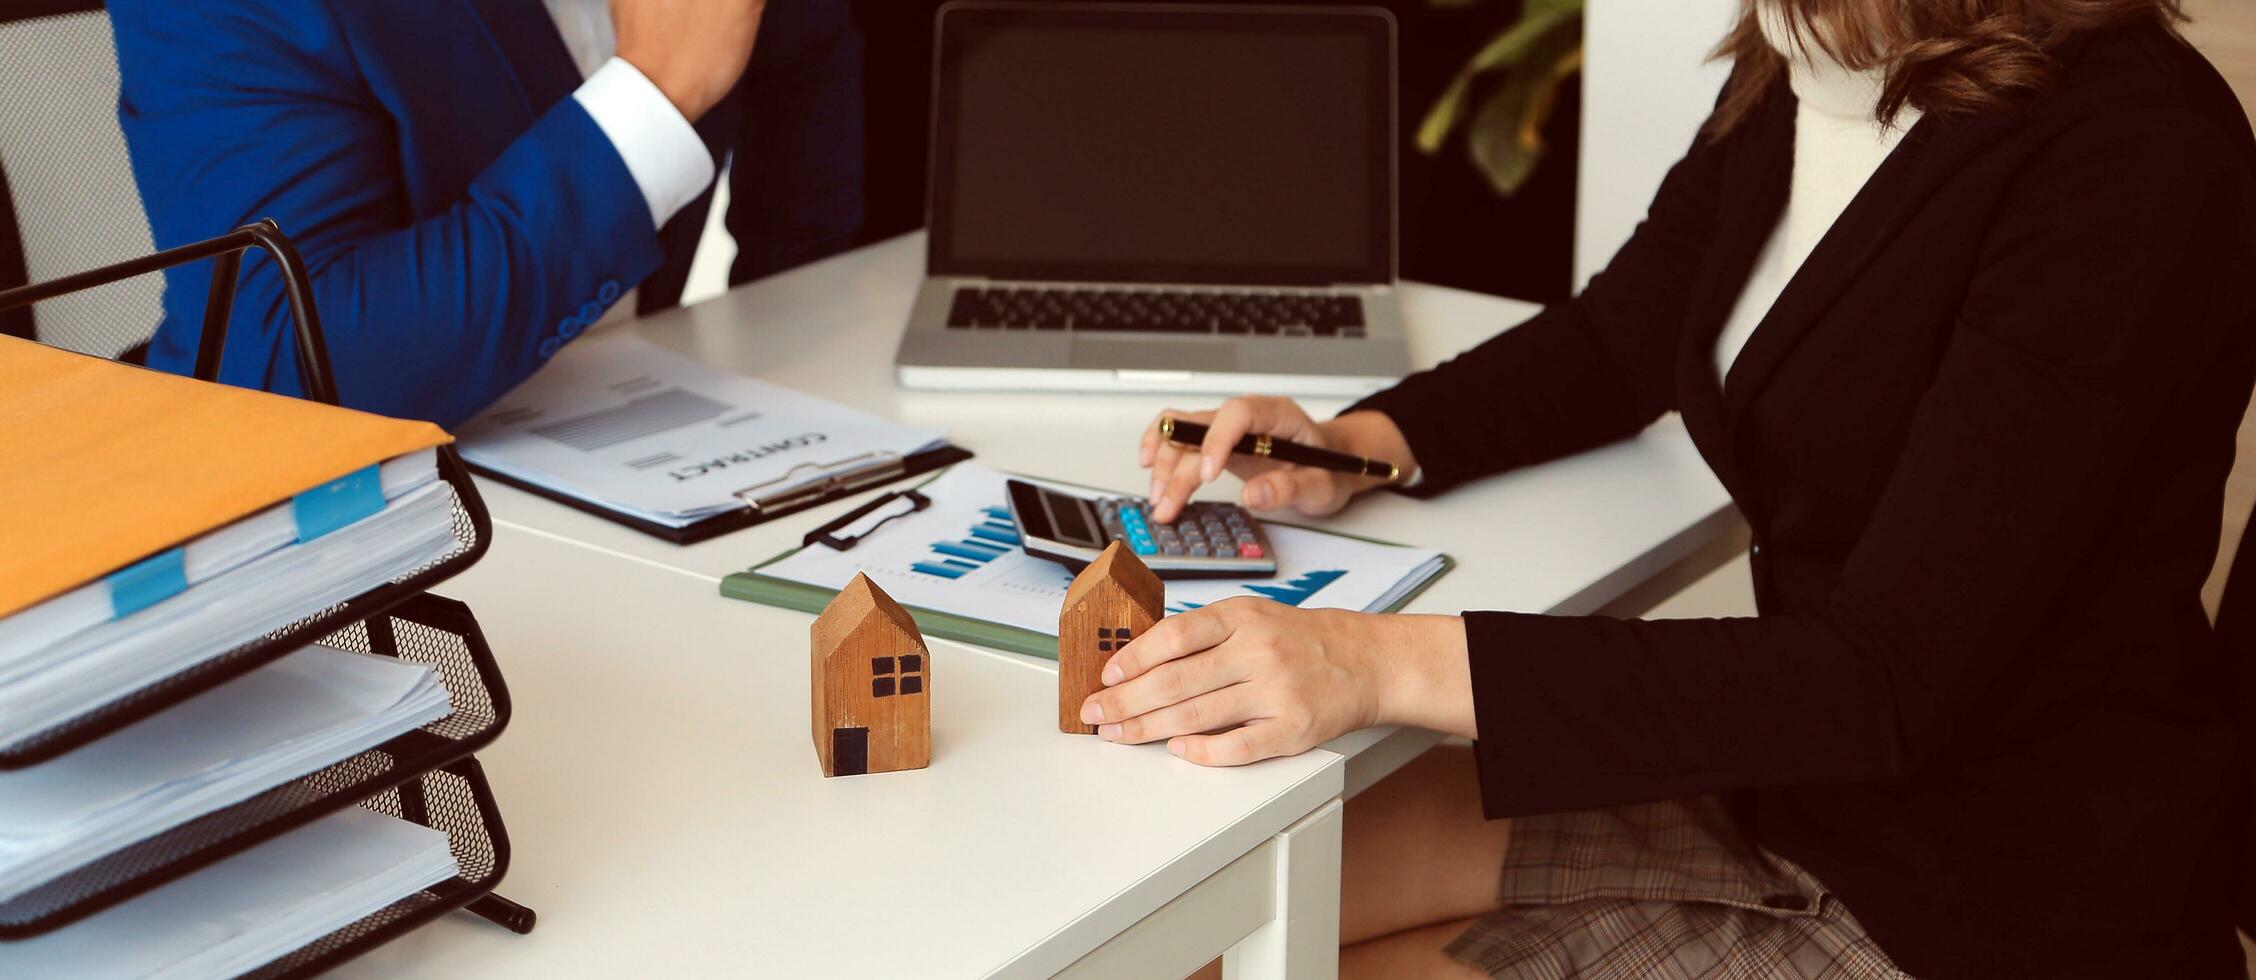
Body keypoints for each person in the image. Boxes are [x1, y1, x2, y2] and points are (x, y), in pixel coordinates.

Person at [1099, 2, 2256, 977]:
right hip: (1793, 773)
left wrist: (1370, 661)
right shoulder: (1808, 47)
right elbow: (1624, 336)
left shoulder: (2135, 154)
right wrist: (1359, 440)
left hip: (1996, 891)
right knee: (1185, 926)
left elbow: (1886, 676)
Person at [106, 0, 862, 427]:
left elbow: (804, 52)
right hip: (342, 551)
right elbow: (289, 357)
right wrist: (657, 90)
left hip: (637, 444)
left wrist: (785, 356)